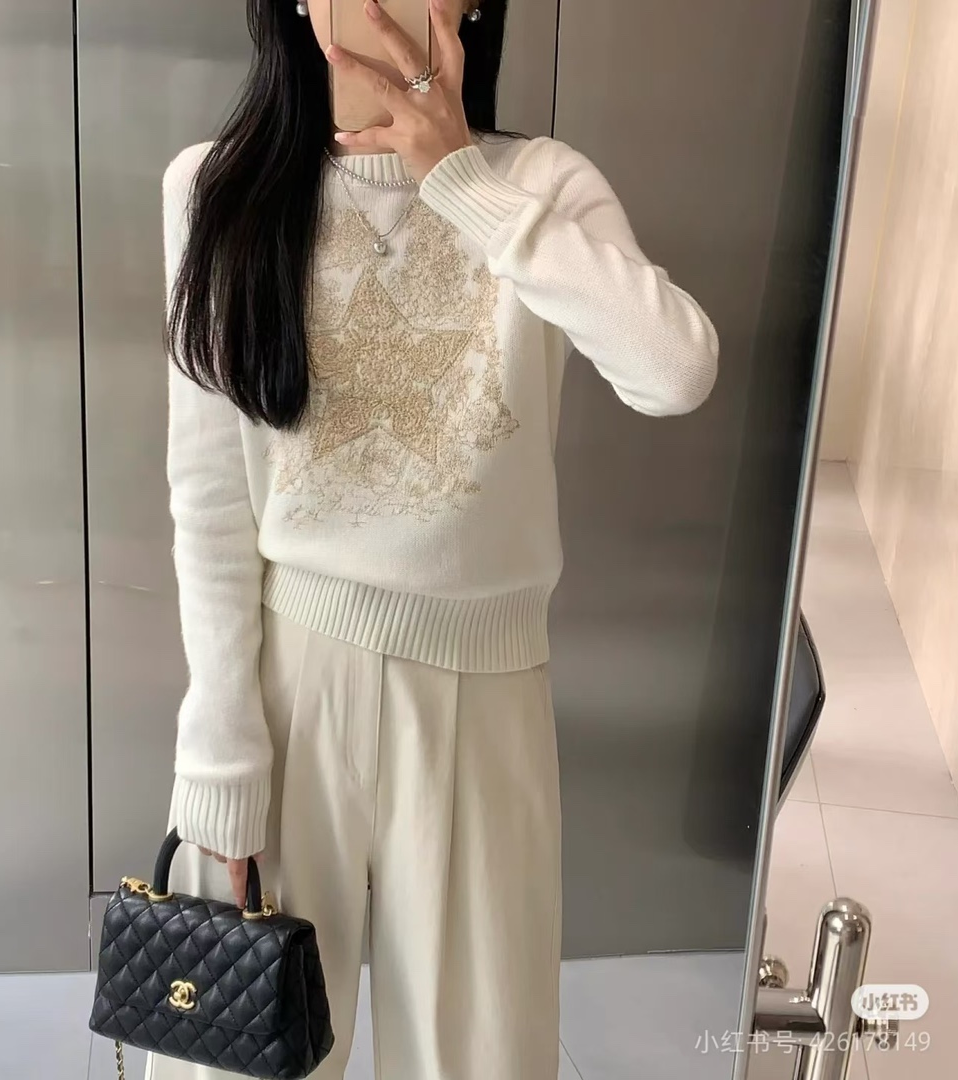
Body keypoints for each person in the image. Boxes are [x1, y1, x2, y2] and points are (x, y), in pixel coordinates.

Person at [152, 0, 718, 1076]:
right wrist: (218, 744)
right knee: (238, 1057)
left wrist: (462, 182)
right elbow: (210, 496)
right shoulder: (214, 190)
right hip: (291, 688)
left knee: (480, 1058)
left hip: (485, 698)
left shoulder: (540, 188)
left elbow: (675, 369)